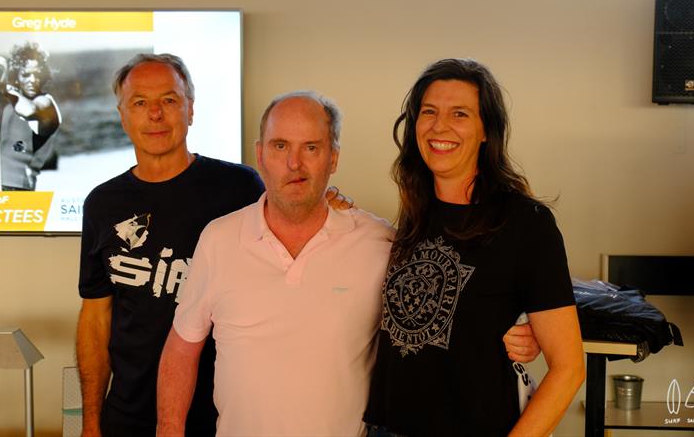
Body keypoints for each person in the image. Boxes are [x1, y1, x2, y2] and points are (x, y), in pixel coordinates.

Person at [157, 90, 540, 436]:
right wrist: (169, 429)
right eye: (279, 146)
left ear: (333, 157)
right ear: (260, 155)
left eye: (311, 147)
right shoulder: (219, 239)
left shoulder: (381, 241)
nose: (295, 163)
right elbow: (182, 347)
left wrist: (523, 331)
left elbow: (451, 306)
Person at [364, 58, 586, 437]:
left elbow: (569, 368)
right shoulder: (417, 211)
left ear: (486, 131)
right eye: (429, 112)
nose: (439, 126)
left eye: (460, 114)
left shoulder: (525, 222)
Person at [76, 53, 266, 437]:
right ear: (122, 115)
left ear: (190, 109)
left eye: (169, 100)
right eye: (140, 103)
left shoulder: (240, 188)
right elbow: (96, 319)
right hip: (130, 415)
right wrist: (91, 422)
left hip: (223, 415)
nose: (155, 114)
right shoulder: (102, 203)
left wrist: (332, 204)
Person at [0, 42, 62, 190]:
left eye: (37, 74)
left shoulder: (45, 102)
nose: (33, 80)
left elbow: (27, 110)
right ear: (16, 77)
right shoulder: (12, 104)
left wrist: (4, 89)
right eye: (26, 75)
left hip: (19, 187)